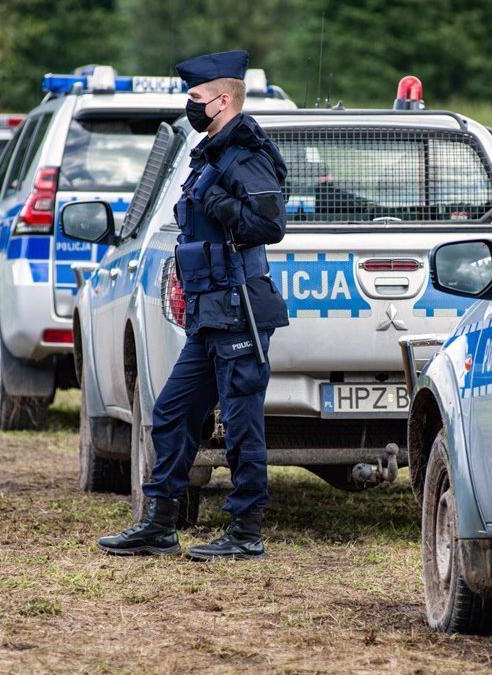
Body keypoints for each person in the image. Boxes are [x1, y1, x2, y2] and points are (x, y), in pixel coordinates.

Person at [98, 50, 289, 561]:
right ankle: (160, 524)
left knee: (242, 424)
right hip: (208, 313)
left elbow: (269, 225)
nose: (191, 105)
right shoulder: (210, 153)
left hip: (239, 307)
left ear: (223, 100)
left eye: (197, 98)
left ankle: (245, 532)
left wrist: (224, 207)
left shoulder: (245, 154)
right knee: (172, 412)